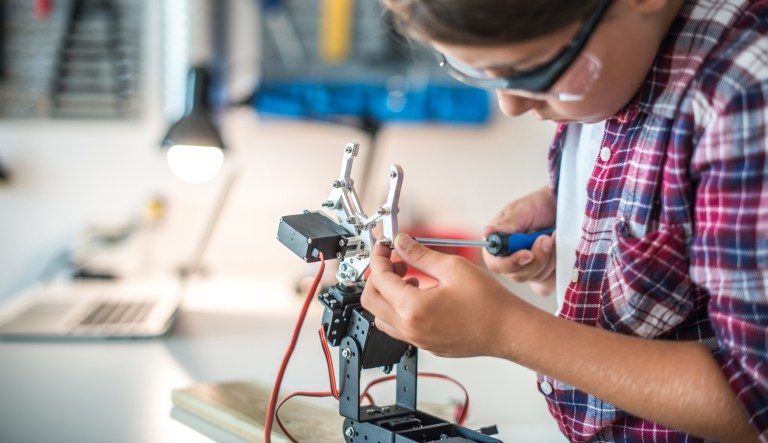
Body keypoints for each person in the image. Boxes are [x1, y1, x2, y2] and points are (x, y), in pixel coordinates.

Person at [361, 0, 768, 441]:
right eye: (477, 69)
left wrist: (506, 330)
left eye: (533, 69)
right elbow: (679, 182)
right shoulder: (609, 68)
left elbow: (752, 403)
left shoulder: (746, 93)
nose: (511, 104)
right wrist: (572, 217)